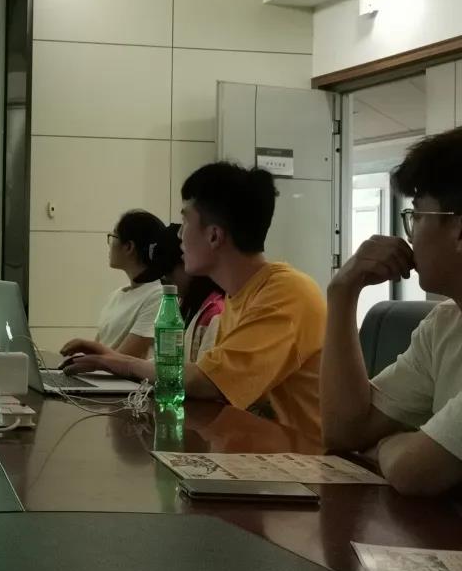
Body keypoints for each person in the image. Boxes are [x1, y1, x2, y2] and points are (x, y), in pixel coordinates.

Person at [62, 163, 325, 442]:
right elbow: (199, 375)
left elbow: (207, 381)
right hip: (262, 454)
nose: (179, 235)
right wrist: (113, 358)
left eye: (185, 221)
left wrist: (120, 364)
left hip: (304, 461)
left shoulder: (286, 293)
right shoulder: (240, 294)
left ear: (214, 235)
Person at [321, 128, 462, 496]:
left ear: (459, 229)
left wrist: (387, 446)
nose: (409, 236)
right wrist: (341, 294)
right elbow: (344, 432)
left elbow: (413, 472)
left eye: (416, 215)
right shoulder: (445, 324)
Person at [68, 210, 176, 359]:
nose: (109, 244)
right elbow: (98, 350)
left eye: (113, 237)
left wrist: (85, 350)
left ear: (129, 247)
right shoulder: (117, 295)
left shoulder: (158, 296)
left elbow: (125, 359)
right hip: (101, 373)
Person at [163, 223, 225, 363]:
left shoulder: (216, 312)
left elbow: (201, 374)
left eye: (168, 272)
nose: (166, 281)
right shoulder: (187, 304)